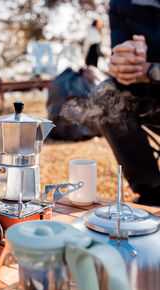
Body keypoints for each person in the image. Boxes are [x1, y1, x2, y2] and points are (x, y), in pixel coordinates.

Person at [59, 0, 160, 206]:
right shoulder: (121, 4)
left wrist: (152, 70)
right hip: (151, 98)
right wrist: (123, 66)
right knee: (106, 96)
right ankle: (152, 193)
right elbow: (120, 54)